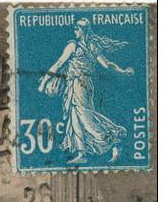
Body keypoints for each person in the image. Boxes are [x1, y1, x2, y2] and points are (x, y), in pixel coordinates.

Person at [38, 18, 134, 164]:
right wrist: (123, 71)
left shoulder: (74, 45)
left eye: (77, 28)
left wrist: (43, 83)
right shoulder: (92, 46)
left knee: (84, 115)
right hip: (79, 84)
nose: (75, 31)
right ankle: (81, 152)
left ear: (83, 30)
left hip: (80, 83)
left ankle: (113, 139)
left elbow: (58, 64)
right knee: (75, 116)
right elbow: (107, 64)